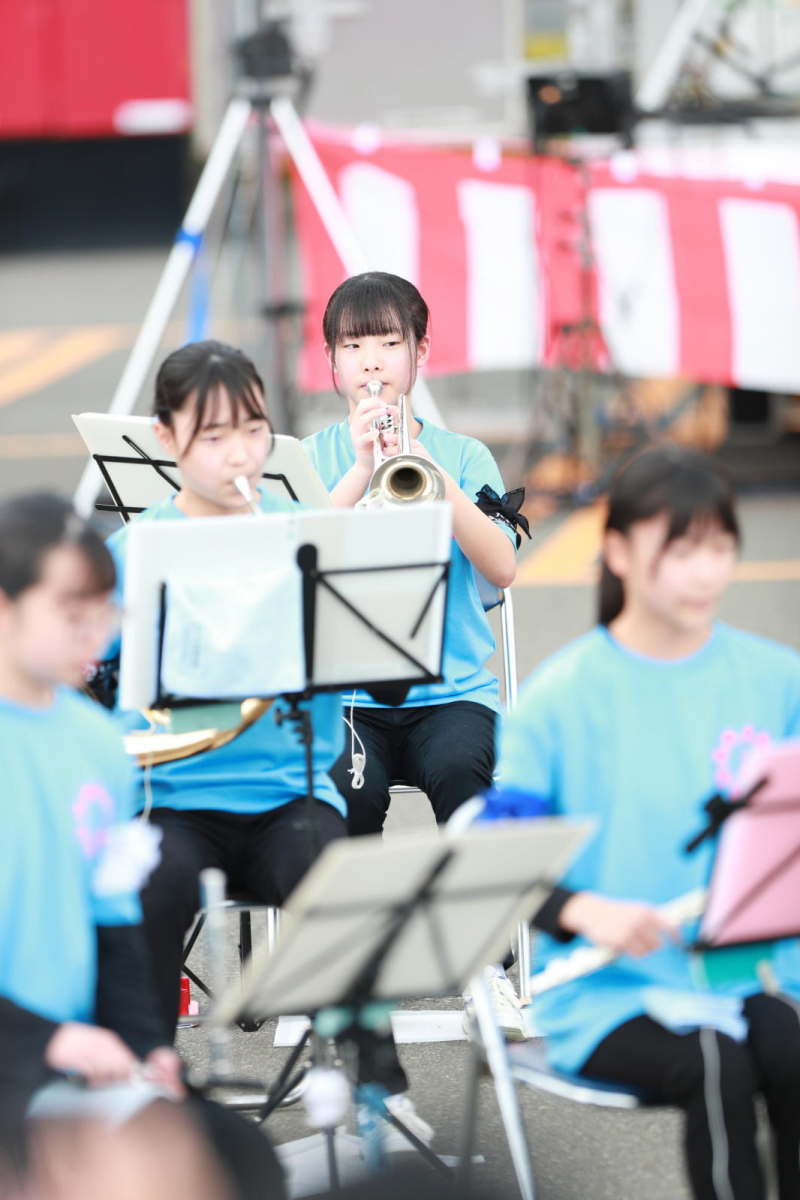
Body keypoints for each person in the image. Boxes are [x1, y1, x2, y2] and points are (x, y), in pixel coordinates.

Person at [498, 445, 800, 1200]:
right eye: (681, 549)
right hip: (610, 992)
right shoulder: (560, 697)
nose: (707, 572)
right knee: (714, 1063)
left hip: (748, 972)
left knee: (793, 1052)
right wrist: (581, 909)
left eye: (720, 547)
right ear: (620, 552)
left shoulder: (777, 680)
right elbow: (493, 857)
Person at [0, 492, 285, 1199]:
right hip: (26, 1053)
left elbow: (114, 923)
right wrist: (47, 1042)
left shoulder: (100, 745)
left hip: (67, 1059)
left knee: (238, 1156)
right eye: (73, 615)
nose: (95, 638)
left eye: (106, 613)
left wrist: (147, 1044)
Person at [302, 272, 527, 1038]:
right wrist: (362, 469)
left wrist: (431, 477)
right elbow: (283, 562)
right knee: (345, 794)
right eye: (353, 345)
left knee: (466, 771)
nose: (372, 362)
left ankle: (485, 966)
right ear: (329, 364)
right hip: (348, 697)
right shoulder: (310, 458)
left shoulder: (466, 455)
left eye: (389, 343)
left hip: (452, 691)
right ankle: (357, 973)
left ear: (420, 352)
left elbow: (503, 568)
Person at [104, 340, 348, 1033]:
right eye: (214, 437)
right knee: (149, 888)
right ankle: (144, 1082)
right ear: (165, 437)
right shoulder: (135, 552)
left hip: (289, 795)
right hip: (174, 801)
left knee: (338, 885)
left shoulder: (309, 540)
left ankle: (371, 1080)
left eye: (253, 429)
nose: (240, 454)